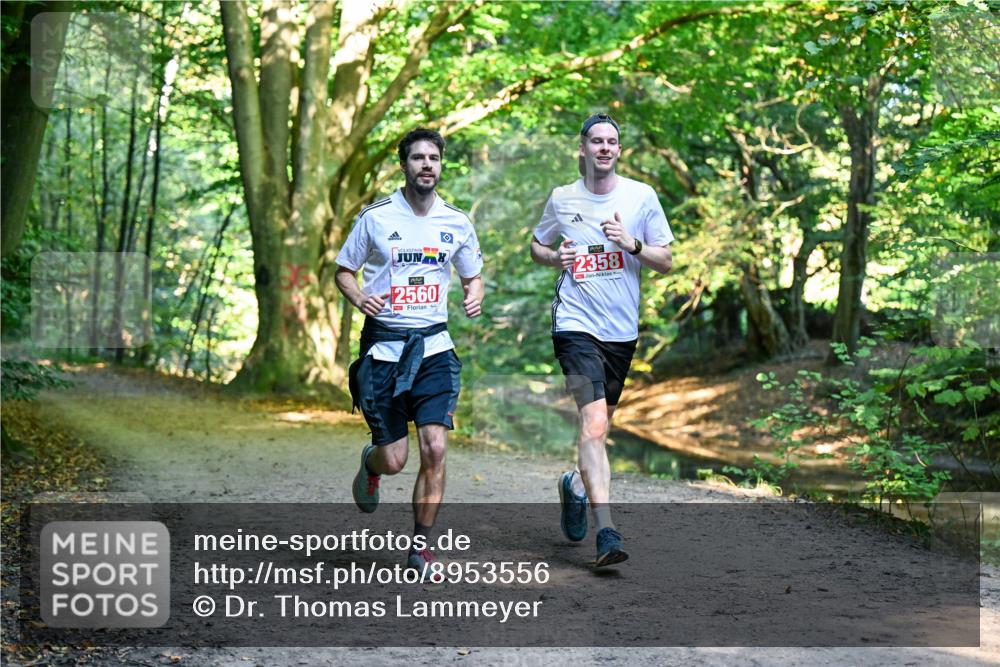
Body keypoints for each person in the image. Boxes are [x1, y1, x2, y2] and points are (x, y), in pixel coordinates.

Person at [335, 127, 484, 576]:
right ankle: (372, 464)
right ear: (403, 165)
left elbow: (472, 273)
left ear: (440, 165)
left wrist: (473, 294)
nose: (426, 165)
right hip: (384, 348)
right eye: (417, 158)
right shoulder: (377, 217)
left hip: (435, 347)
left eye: (433, 158)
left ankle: (420, 548)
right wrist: (360, 297)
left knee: (435, 447)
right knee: (396, 459)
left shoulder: (456, 221)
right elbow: (344, 270)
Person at [530, 113, 674, 567]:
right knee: (593, 425)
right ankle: (607, 531)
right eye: (597, 141)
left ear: (619, 150)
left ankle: (574, 484)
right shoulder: (562, 198)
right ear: (583, 148)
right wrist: (557, 257)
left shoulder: (641, 197)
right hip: (574, 324)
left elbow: (666, 260)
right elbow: (536, 246)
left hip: (620, 332)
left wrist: (631, 244)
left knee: (600, 427)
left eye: (612, 141)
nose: (605, 148)